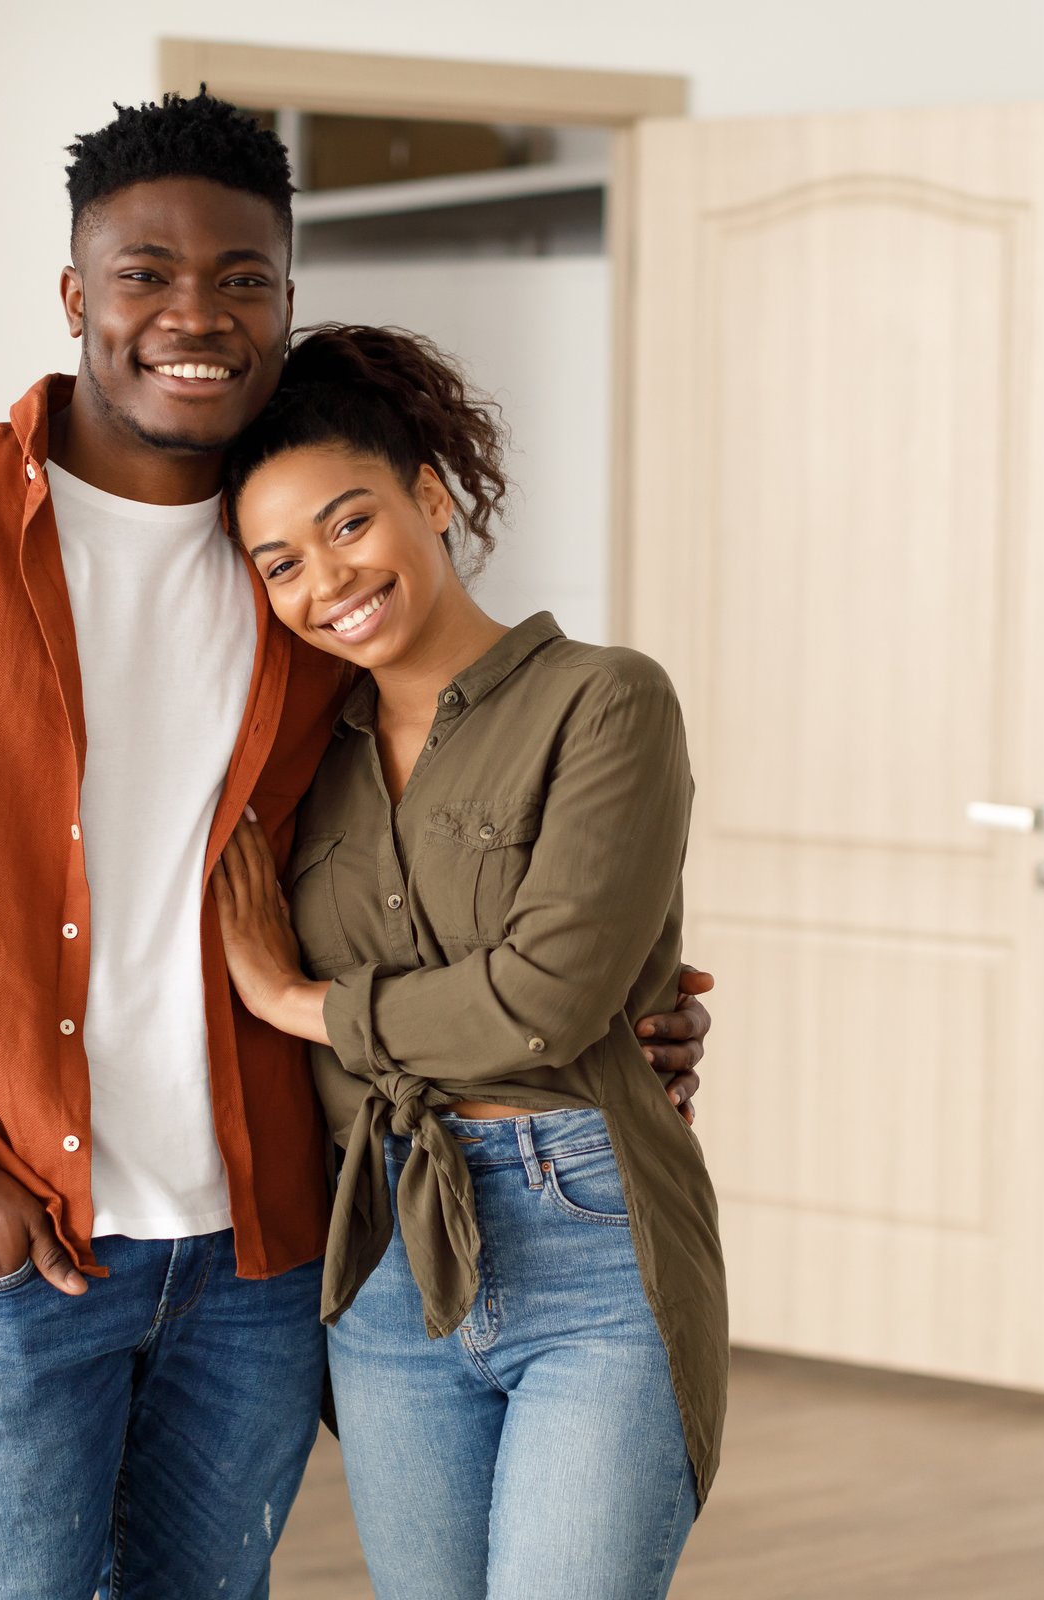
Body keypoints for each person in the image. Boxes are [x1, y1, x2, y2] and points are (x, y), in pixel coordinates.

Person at [0, 91, 712, 1599]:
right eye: (147, 274)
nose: (197, 314)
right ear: (76, 295)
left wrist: (613, 1013)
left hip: (272, 1253)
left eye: (243, 278)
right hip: (13, 1233)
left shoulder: (315, 583)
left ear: (289, 301)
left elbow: (444, 858)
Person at [208, 324, 728, 1600]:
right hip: (385, 1251)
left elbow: (545, 1000)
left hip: (588, 1241)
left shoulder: (606, 702)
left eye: (349, 523)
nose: (327, 579)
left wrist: (296, 1001)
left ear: (429, 496)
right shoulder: (292, 764)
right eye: (279, 563)